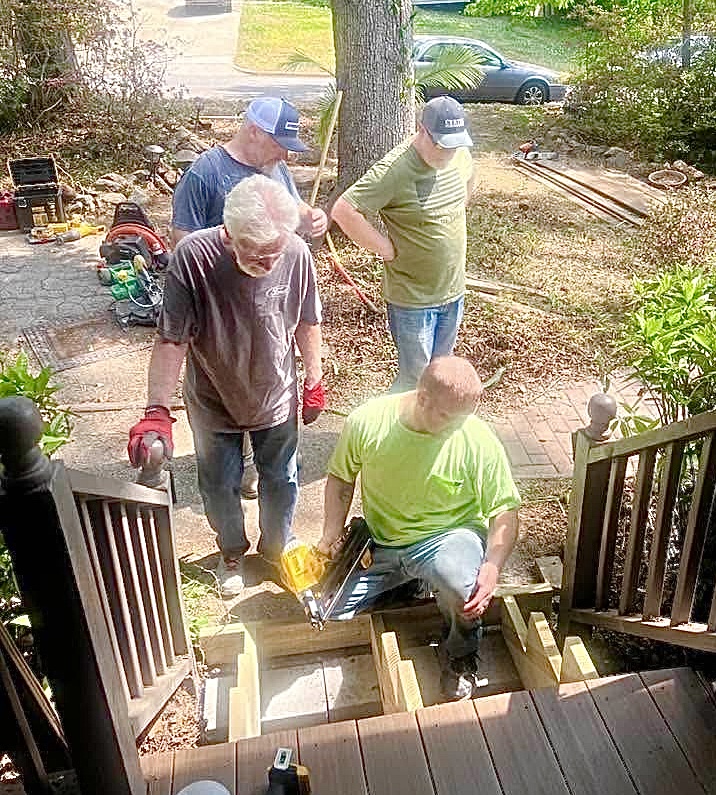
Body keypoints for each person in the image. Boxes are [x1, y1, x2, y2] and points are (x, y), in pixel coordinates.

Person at [128, 175, 325, 596]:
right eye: (257, 254)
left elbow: (308, 320)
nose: (270, 264)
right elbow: (171, 338)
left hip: (276, 395)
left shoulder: (295, 253)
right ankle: (231, 552)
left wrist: (314, 377)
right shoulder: (192, 257)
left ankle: (277, 548)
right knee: (219, 485)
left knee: (282, 478)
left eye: (276, 253)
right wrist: (156, 412)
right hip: (213, 398)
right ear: (230, 234)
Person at [316, 356, 519, 701]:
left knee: (462, 589)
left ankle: (460, 655)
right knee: (328, 612)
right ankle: (410, 583)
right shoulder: (367, 422)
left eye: (465, 417)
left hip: (447, 538)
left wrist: (492, 566)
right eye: (450, 418)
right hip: (382, 541)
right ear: (423, 398)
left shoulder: (476, 439)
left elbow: (506, 511)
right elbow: (340, 478)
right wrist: (330, 533)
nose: (459, 426)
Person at [172, 95, 328, 498]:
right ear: (253, 130)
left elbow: (289, 217)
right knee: (225, 391)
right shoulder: (206, 174)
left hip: (271, 311)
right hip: (222, 320)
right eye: (280, 144)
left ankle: (261, 466)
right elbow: (182, 240)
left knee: (266, 387)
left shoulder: (274, 169)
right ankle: (234, 466)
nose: (285, 156)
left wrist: (309, 217)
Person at [330, 96, 475, 393]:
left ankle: (429, 433)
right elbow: (344, 210)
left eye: (454, 144)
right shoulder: (395, 169)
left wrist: (458, 207)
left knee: (440, 377)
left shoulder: (459, 154)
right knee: (414, 380)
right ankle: (398, 434)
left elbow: (471, 178)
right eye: (442, 144)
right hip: (413, 300)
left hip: (453, 291)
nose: (449, 152)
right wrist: (385, 249)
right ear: (422, 130)